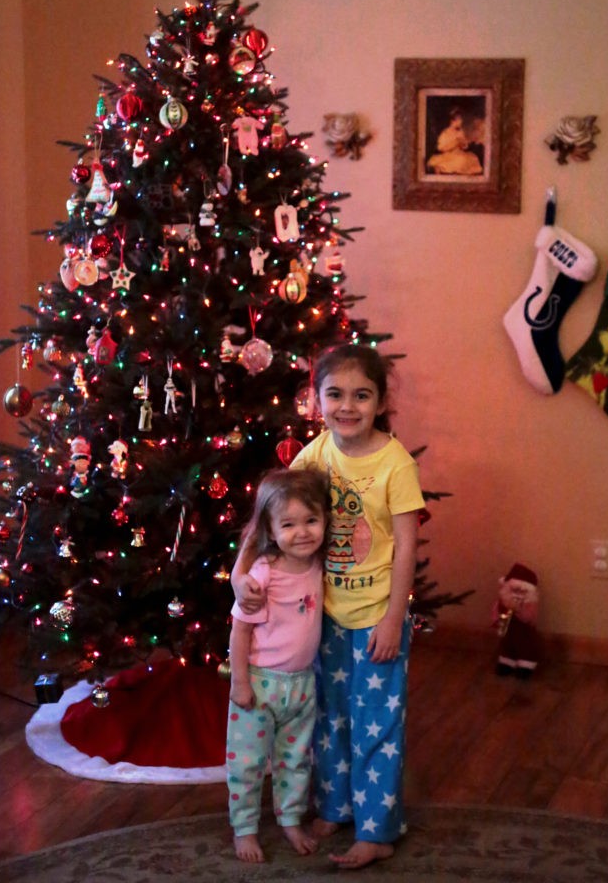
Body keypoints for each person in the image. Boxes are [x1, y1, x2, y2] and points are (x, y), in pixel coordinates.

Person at [233, 343, 425, 869]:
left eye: (362, 395)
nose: (347, 406)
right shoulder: (314, 455)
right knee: (329, 718)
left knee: (376, 726)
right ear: (316, 400)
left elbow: (407, 547)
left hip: (377, 620)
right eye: (335, 394)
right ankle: (336, 807)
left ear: (381, 402)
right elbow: (265, 517)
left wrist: (393, 618)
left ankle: (377, 829)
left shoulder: (396, 465)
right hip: (324, 620)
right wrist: (239, 574)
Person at [226, 467, 330, 863]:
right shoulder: (261, 575)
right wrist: (239, 683)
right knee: (248, 763)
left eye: (311, 520)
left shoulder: (318, 563)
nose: (302, 532)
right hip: (259, 685)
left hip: (302, 684)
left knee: (296, 761)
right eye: (288, 524)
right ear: (270, 529)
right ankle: (245, 829)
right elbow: (240, 631)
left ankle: (290, 819)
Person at [426, 107, 483, 176]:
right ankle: (441, 168)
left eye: (461, 119)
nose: (461, 122)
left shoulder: (460, 132)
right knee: (459, 161)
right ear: (453, 121)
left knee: (473, 158)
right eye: (459, 120)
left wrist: (463, 143)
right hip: (449, 155)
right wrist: (454, 143)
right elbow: (440, 148)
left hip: (459, 153)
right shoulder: (446, 133)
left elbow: (465, 146)